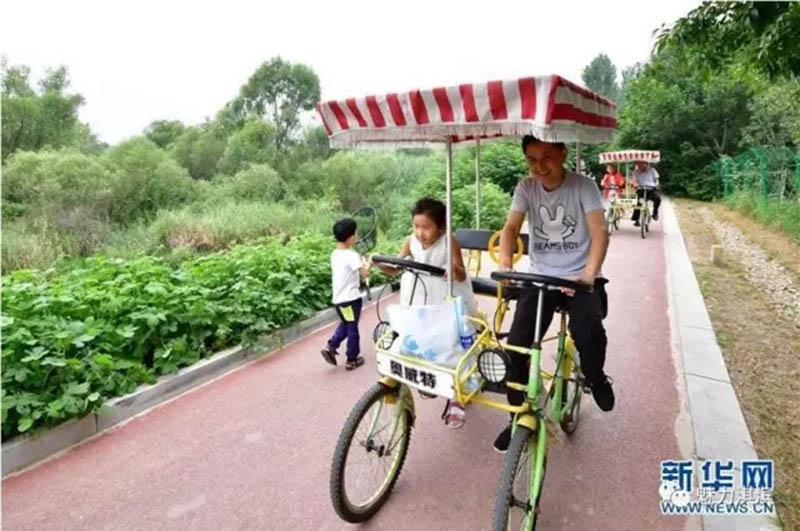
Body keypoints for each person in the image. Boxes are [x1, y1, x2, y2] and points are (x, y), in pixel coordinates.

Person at [494, 135, 615, 453]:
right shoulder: (526, 188)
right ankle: (517, 415)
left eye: (546, 157)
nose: (540, 167)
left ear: (562, 153)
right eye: (532, 160)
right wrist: (506, 264)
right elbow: (510, 229)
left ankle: (595, 376)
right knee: (517, 346)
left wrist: (588, 275)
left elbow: (600, 232)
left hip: (580, 277)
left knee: (587, 331)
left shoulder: (583, 186)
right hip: (541, 278)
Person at [375, 198, 477, 428]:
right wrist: (379, 263)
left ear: (440, 227)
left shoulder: (449, 242)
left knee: (451, 344)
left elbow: (461, 273)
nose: (420, 233)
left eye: (426, 227)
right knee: (411, 338)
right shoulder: (410, 241)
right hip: (418, 297)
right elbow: (395, 268)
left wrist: (452, 269)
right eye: (416, 226)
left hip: (444, 297)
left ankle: (456, 397)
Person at [321, 218, 371, 370]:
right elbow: (365, 273)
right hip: (351, 299)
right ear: (350, 237)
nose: (357, 236)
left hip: (339, 300)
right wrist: (369, 262)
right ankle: (352, 359)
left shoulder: (335, 254)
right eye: (355, 233)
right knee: (352, 327)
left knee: (347, 322)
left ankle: (331, 346)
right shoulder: (351, 255)